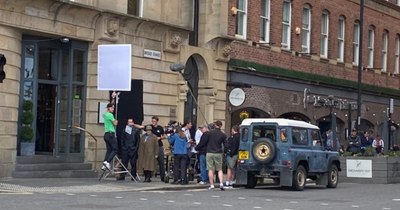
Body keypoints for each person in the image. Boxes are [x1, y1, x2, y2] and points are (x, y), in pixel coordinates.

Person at [206, 120, 227, 191]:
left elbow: (205, 142)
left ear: (215, 125)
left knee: (210, 169)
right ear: (221, 126)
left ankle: (212, 185)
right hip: (218, 153)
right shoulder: (223, 135)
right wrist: (225, 152)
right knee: (219, 169)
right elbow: (225, 145)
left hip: (210, 152)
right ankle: (221, 183)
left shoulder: (209, 133)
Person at [102, 103, 118, 170]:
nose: (113, 109)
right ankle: (108, 162)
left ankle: (105, 162)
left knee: (109, 150)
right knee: (115, 149)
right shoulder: (110, 115)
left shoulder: (105, 114)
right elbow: (115, 123)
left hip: (106, 134)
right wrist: (116, 120)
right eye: (112, 108)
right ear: (109, 108)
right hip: (110, 133)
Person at [150, 116, 166, 182]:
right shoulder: (150, 127)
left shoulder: (160, 128)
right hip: (151, 146)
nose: (153, 122)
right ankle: (149, 176)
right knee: (150, 161)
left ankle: (163, 176)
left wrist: (160, 138)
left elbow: (164, 136)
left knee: (161, 161)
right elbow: (141, 127)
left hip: (159, 146)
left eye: (154, 121)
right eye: (152, 121)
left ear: (157, 121)